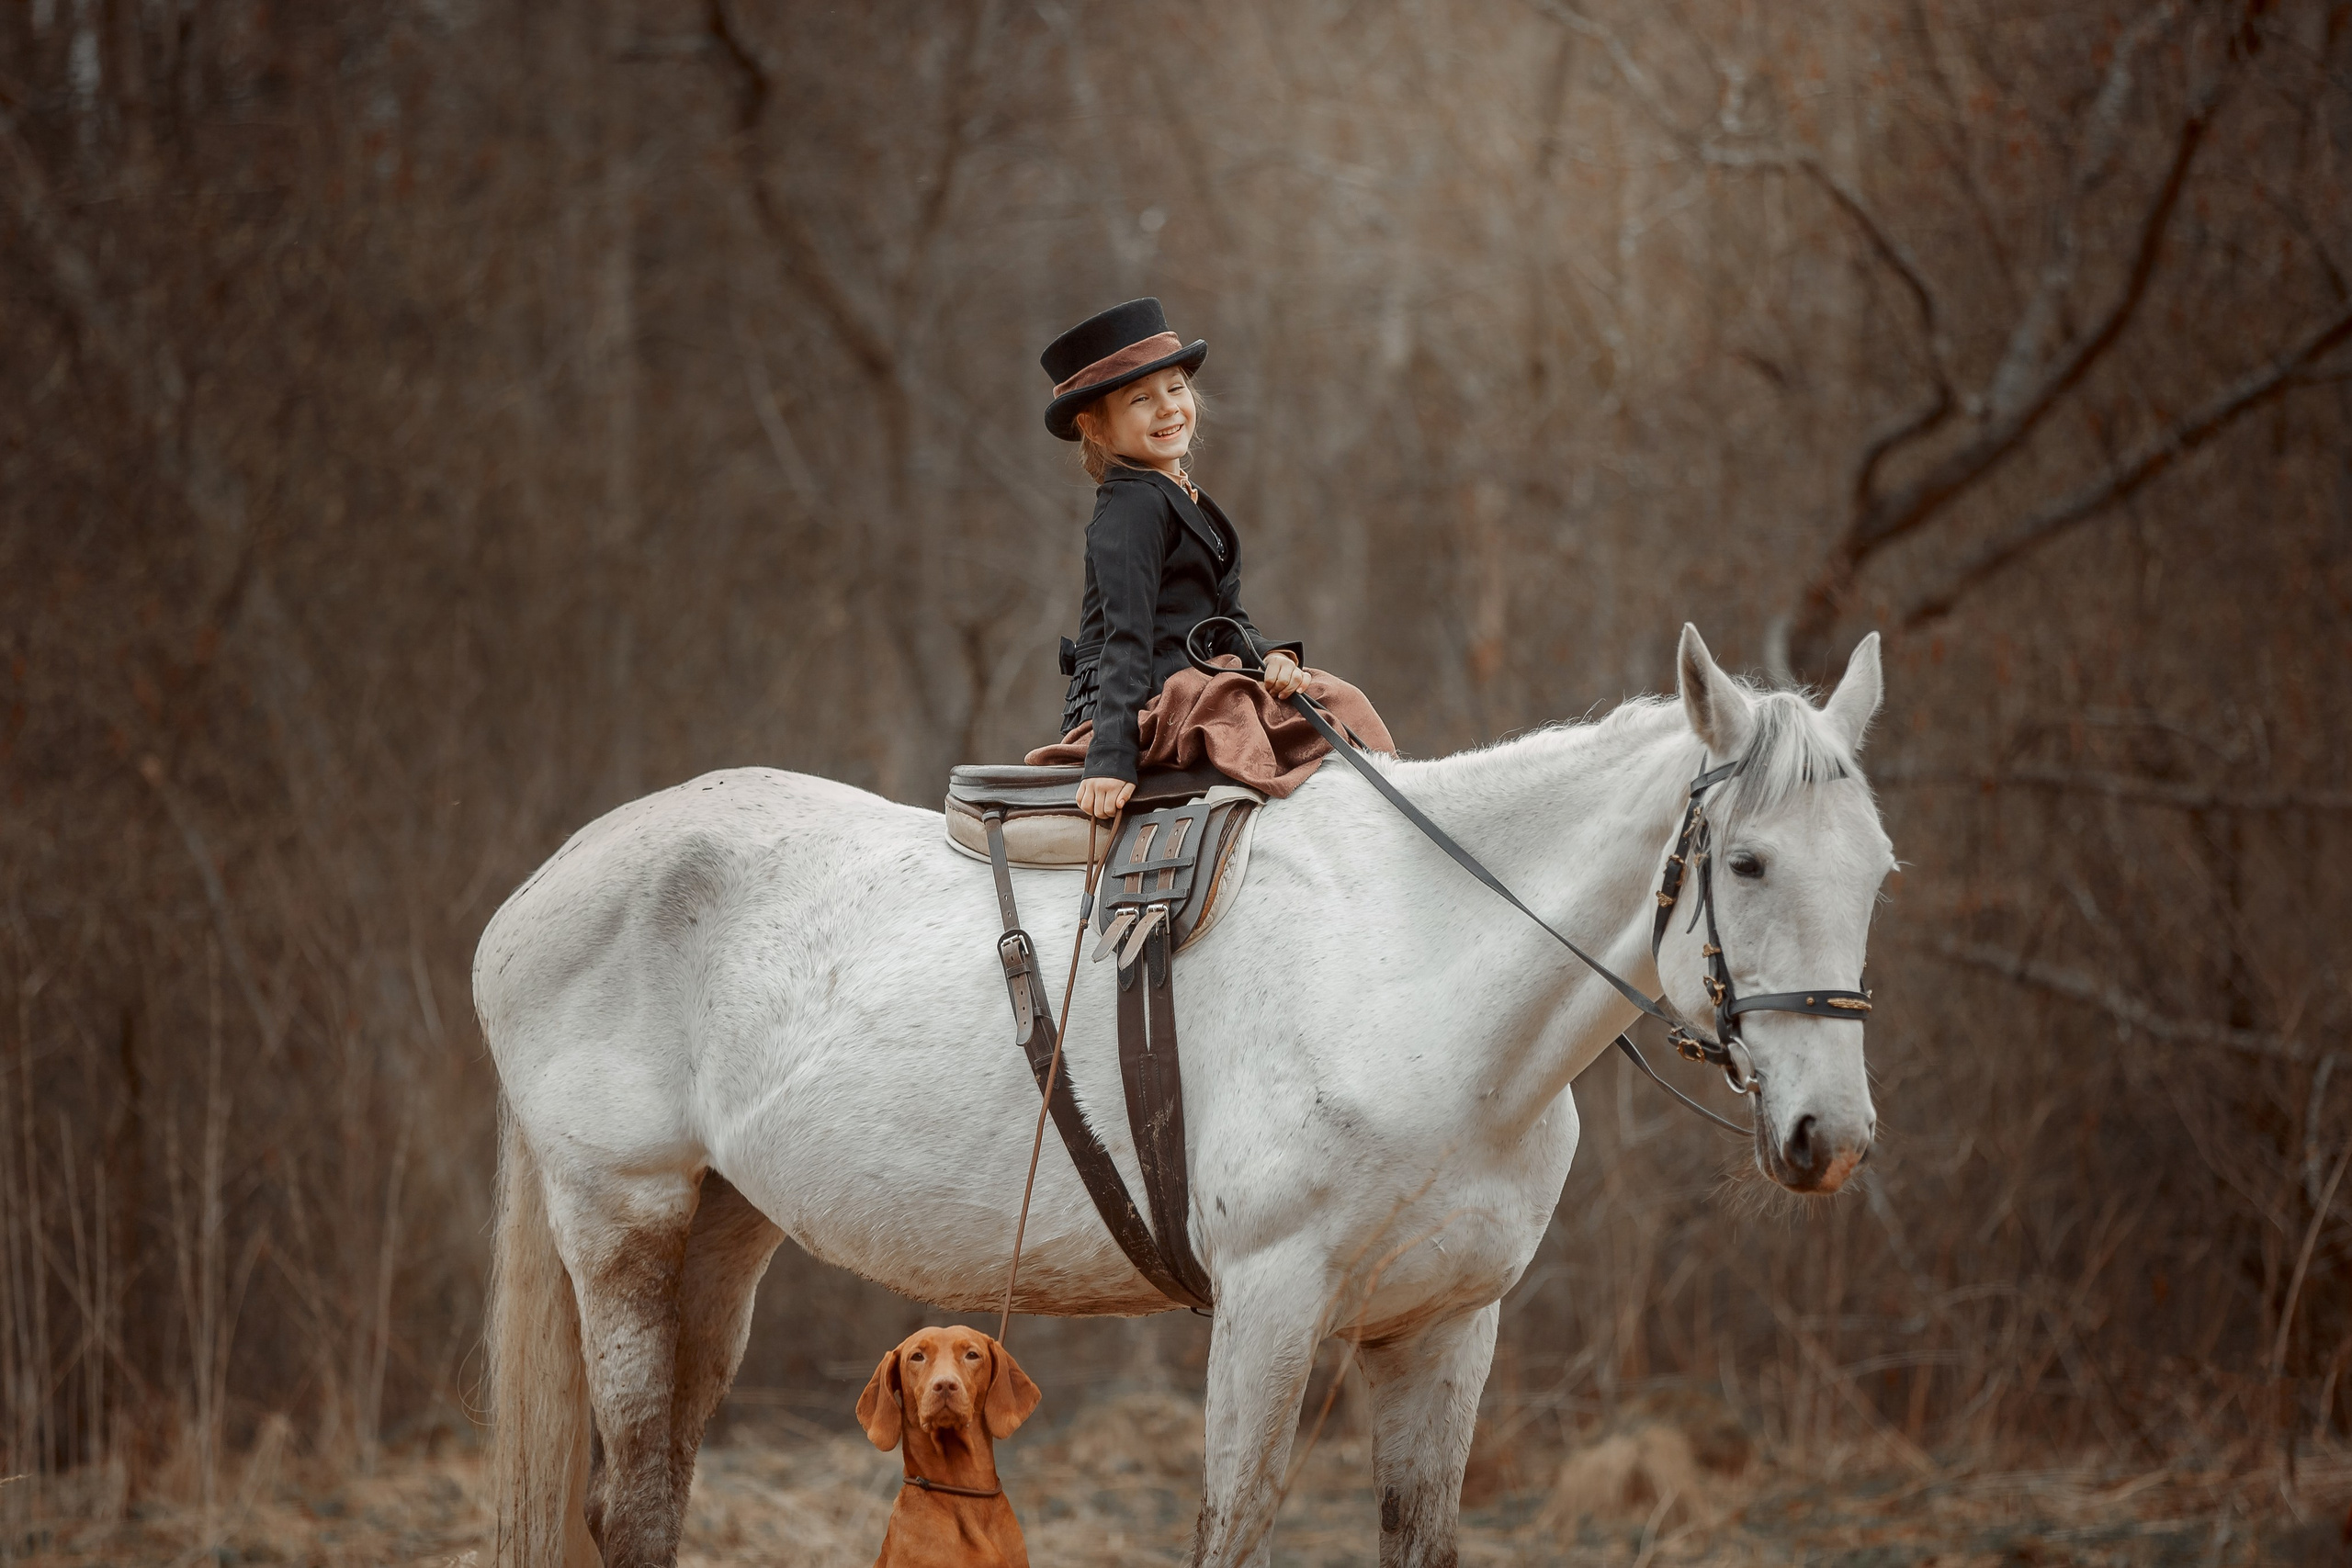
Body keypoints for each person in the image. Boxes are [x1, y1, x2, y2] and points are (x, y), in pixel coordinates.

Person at [1025, 299, 1392, 817]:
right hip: (1143, 698)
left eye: (1175, 388)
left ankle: (1378, 828)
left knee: (1331, 699)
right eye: (1140, 400)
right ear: (1096, 427)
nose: (1169, 407)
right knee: (1246, 723)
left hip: (1197, 676)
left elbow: (1224, 619)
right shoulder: (1130, 506)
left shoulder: (1182, 496)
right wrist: (1110, 757)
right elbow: (1124, 635)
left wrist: (1270, 658)